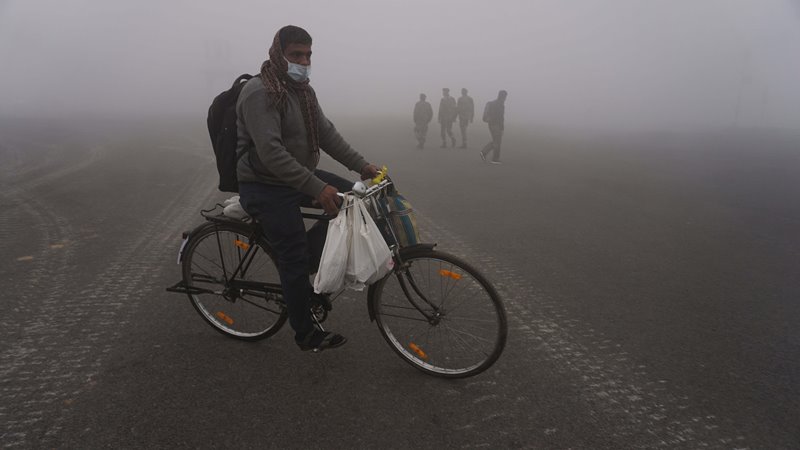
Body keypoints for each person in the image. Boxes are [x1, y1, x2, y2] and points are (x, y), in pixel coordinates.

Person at [235, 25, 380, 352]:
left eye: (308, 55)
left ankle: (308, 268)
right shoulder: (261, 92)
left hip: (296, 177)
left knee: (354, 202)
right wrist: (317, 187)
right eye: (296, 55)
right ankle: (305, 332)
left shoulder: (303, 91)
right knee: (293, 255)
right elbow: (271, 152)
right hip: (264, 185)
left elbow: (327, 135)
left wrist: (363, 165)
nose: (304, 61)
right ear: (278, 54)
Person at [480, 90, 507, 164]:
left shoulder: (492, 103)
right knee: (497, 141)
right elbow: (501, 118)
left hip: (491, 124)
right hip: (496, 125)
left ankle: (485, 153)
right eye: (505, 97)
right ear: (503, 96)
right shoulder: (500, 105)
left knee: (496, 141)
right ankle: (494, 158)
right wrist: (502, 128)